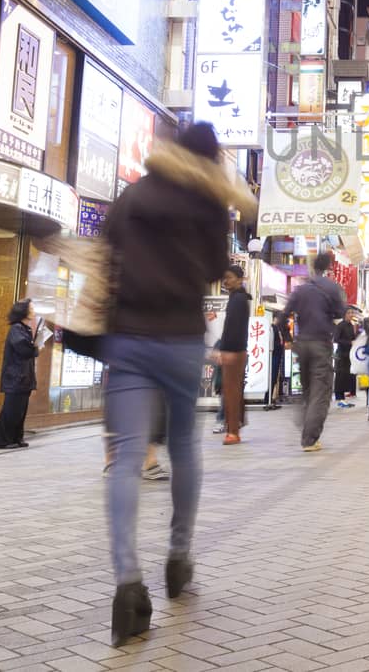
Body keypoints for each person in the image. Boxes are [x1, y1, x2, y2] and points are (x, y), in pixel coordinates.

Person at [102, 122, 240, 644]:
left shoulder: (133, 194)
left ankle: (127, 582)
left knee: (127, 454)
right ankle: (178, 557)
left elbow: (105, 252)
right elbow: (214, 268)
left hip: (128, 338)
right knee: (184, 446)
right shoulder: (207, 205)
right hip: (180, 339)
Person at [281, 250, 348, 452]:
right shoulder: (332, 287)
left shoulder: (301, 289)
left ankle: (304, 417)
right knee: (320, 392)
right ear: (328, 266)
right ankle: (309, 438)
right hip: (320, 343)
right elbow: (341, 313)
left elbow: (282, 317)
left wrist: (288, 340)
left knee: (308, 388)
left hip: (302, 344)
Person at [0, 299, 40, 450]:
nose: (34, 311)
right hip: (15, 378)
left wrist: (35, 347)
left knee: (20, 411)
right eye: (31, 308)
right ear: (23, 311)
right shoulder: (16, 329)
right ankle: (1, 441)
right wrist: (36, 347)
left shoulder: (24, 329)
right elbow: (25, 350)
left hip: (23, 378)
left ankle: (16, 438)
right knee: (11, 411)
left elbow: (29, 350)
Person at [212, 266, 251, 444]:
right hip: (236, 350)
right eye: (224, 278)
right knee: (234, 392)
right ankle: (236, 425)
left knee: (231, 393)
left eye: (229, 278)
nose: (226, 281)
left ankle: (233, 432)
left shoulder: (238, 299)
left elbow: (233, 328)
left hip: (234, 352)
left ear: (240, 279)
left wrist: (226, 351)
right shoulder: (238, 298)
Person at [334, 306, 359, 409]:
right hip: (341, 355)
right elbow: (336, 339)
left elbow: (353, 339)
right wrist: (349, 342)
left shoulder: (351, 326)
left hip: (348, 355)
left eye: (352, 313)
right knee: (340, 376)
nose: (351, 315)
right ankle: (339, 398)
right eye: (349, 313)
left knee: (345, 377)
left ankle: (343, 399)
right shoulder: (340, 326)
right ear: (344, 314)